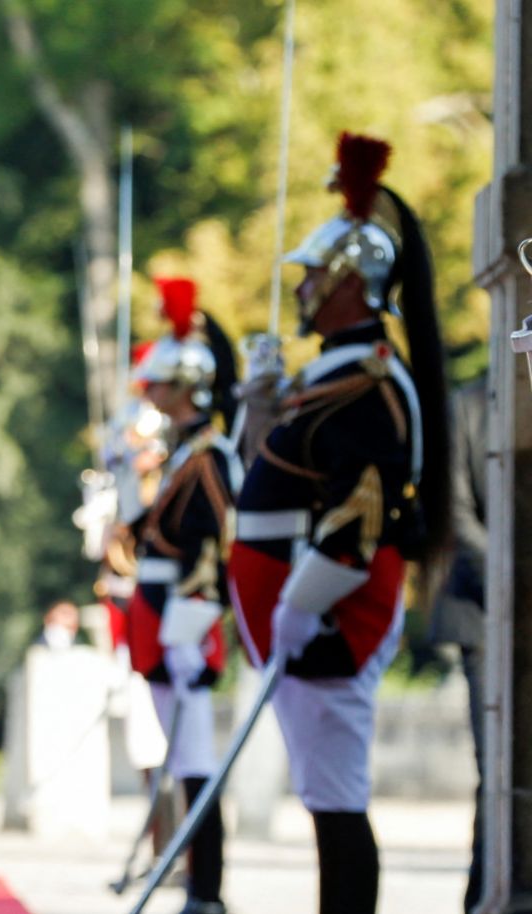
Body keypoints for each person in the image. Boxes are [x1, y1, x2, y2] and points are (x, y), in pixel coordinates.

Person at [229, 133, 451, 914]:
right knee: (325, 793)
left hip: (329, 608)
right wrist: (259, 406)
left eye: (316, 273)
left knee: (335, 798)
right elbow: (276, 476)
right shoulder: (330, 375)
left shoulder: (366, 382)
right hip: (304, 608)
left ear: (352, 282)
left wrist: (299, 606)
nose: (304, 286)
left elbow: (360, 513)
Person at [124, 277, 242, 914]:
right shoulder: (177, 453)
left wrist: (197, 623)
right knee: (183, 759)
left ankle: (207, 890)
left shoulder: (211, 454)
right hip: (160, 617)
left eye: (163, 384)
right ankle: (196, 884)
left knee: (197, 763)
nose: (153, 393)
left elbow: (224, 544)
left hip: (186, 622)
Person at [430, 375, 487, 912]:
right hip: (483, 611)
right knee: (495, 766)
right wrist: (512, 573)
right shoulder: (466, 404)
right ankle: (486, 895)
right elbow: (454, 509)